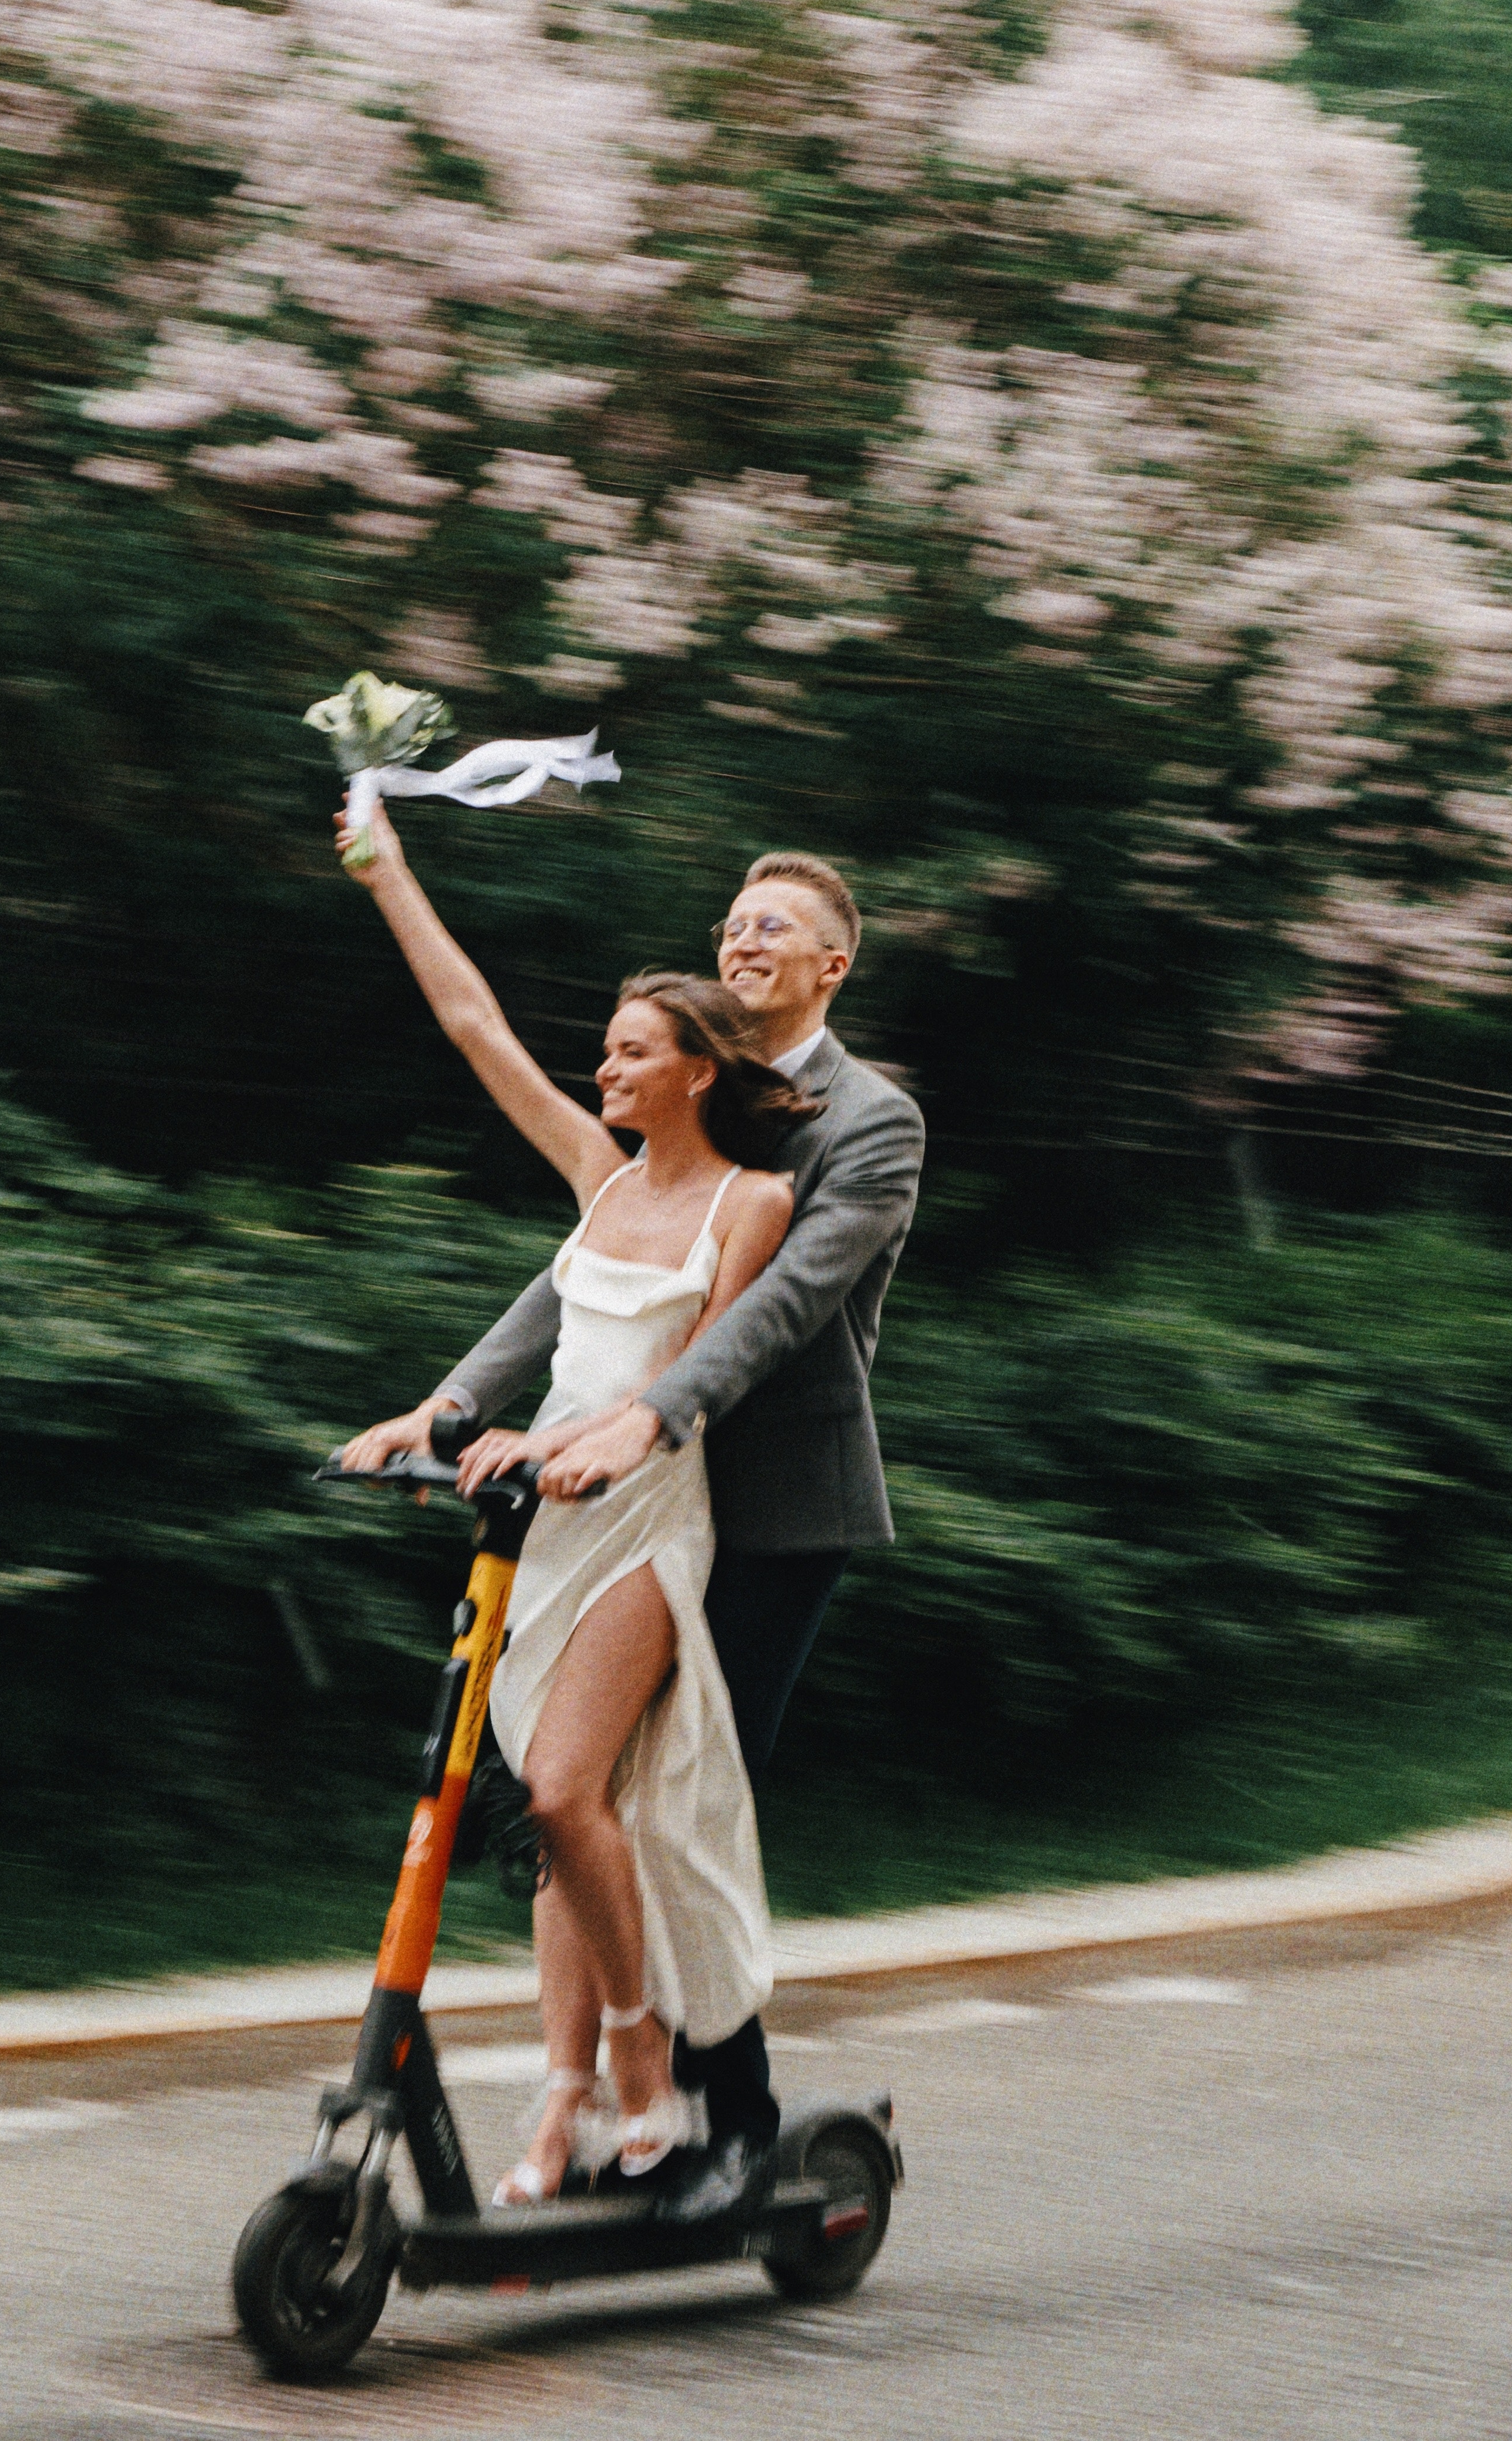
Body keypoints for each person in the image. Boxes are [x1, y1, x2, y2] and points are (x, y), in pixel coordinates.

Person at [427, 845, 923, 2221]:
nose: (742, 937)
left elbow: (782, 1309)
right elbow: (584, 1271)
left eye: (775, 926)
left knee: (676, 1806)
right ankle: (588, 2093)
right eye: (730, 922)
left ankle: (730, 2122)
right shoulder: (691, 1100)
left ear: (834, 963)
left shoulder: (872, 1122)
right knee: (568, 1795)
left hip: (763, 1514)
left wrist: (644, 1420)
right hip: (621, 1495)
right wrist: (463, 1402)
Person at [337, 801, 813, 2204]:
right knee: (558, 1816)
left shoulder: (750, 1204)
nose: (603, 1064)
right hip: (543, 1522)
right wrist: (390, 871)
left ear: (696, 1071)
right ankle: (560, 2104)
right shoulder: (599, 1190)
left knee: (557, 1787)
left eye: (631, 1049)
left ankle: (640, 2060)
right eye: (604, 1047)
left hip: (646, 1520)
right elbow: (475, 1025)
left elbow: (695, 1380)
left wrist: (581, 1444)